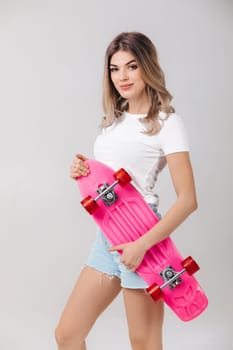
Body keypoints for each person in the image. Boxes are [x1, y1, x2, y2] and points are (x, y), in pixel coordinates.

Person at [55, 32, 198, 350]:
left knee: (143, 342)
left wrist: (142, 245)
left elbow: (188, 200)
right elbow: (110, 177)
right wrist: (82, 171)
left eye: (131, 66)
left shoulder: (167, 124)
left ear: (146, 67)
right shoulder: (112, 122)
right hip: (107, 237)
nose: (122, 76)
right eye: (114, 68)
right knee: (67, 334)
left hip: (144, 236)